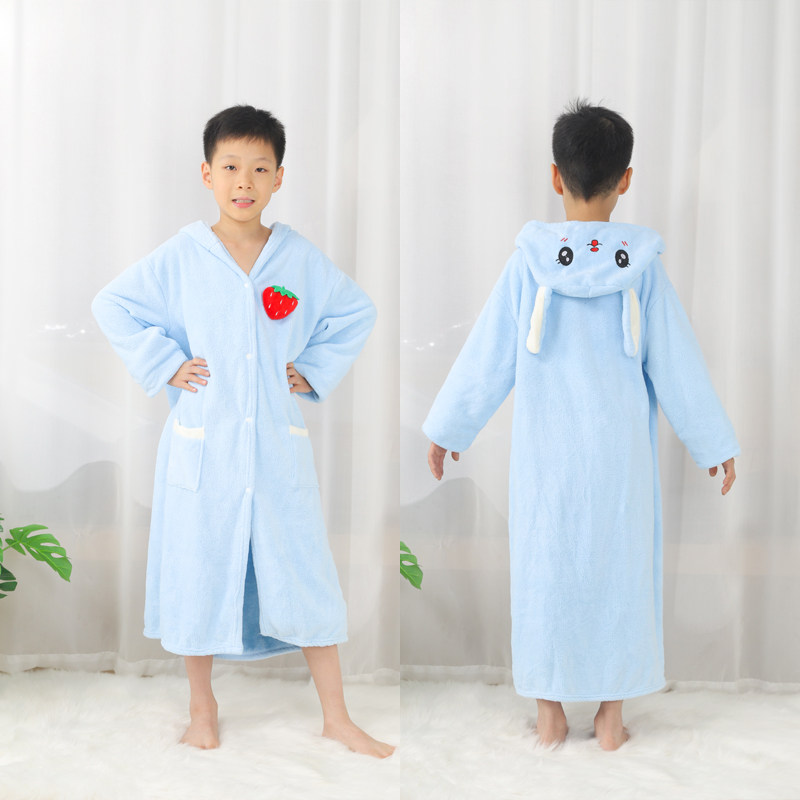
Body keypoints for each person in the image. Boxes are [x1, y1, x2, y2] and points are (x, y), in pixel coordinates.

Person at [422, 100, 739, 751]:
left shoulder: (529, 264)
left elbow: (488, 355)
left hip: (548, 459)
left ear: (554, 176)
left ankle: (550, 714)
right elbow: (677, 363)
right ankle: (611, 717)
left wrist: (449, 428)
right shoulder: (642, 271)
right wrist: (713, 443)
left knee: (546, 570)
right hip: (620, 462)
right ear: (626, 180)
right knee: (620, 572)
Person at [92, 104, 393, 758]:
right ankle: (202, 709)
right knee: (199, 571)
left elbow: (356, 311)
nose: (244, 181)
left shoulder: (297, 258)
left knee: (306, 572)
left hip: (276, 447)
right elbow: (111, 304)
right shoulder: (182, 256)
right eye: (230, 166)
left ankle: (337, 717)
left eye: (260, 168)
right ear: (207, 174)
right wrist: (167, 364)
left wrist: (312, 368)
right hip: (205, 444)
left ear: (279, 177)